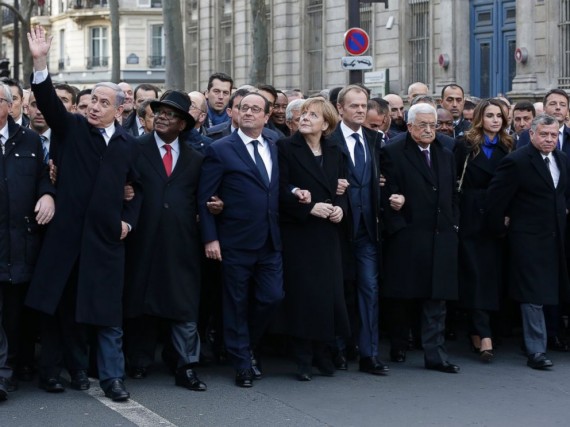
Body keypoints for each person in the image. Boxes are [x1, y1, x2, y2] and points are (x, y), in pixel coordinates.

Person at [25, 26, 142, 401]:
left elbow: (137, 190)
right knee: (58, 306)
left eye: (103, 102)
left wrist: (127, 220)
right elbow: (47, 101)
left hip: (105, 241)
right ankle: (52, 373)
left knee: (106, 314)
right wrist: (40, 61)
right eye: (91, 100)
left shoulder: (129, 145)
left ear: (120, 109)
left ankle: (112, 378)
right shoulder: (73, 129)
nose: (93, 106)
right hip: (65, 236)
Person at [198, 92, 284, 388]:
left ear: (266, 115)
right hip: (234, 240)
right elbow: (206, 197)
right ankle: (242, 363)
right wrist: (210, 238)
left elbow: (277, 186)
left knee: (272, 297)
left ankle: (246, 345)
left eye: (255, 109)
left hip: (271, 240)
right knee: (235, 303)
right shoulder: (221, 149)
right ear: (234, 113)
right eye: (243, 108)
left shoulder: (275, 144)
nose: (249, 113)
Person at [123, 90, 206, 392]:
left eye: (171, 114)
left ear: (183, 124)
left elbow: (201, 198)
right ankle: (139, 360)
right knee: (140, 299)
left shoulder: (196, 158)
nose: (162, 117)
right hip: (142, 239)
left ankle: (186, 366)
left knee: (184, 304)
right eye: (159, 112)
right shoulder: (135, 148)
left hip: (181, 243)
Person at [381, 103, 460, 373]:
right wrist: (399, 227)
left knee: (437, 299)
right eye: (423, 125)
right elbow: (386, 194)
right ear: (409, 125)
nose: (429, 130)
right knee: (403, 296)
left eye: (433, 125)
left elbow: (450, 194)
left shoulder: (445, 152)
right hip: (409, 236)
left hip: (441, 235)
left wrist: (454, 225)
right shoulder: (392, 151)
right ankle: (398, 344)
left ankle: (435, 355)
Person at [486, 114, 570, 369]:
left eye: (553, 135)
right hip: (527, 240)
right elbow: (495, 200)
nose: (548, 139)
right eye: (543, 134)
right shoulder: (517, 162)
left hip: (557, 238)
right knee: (532, 295)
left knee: (551, 292)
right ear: (531, 134)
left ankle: (549, 338)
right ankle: (536, 350)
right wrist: (501, 229)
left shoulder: (563, 160)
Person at [276, 98, 349, 381]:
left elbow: (342, 187)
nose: (304, 118)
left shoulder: (335, 151)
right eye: (303, 113)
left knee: (328, 294)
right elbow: (280, 187)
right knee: (303, 296)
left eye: (313, 115)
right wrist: (307, 207)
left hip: (328, 233)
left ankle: (323, 351)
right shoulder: (285, 147)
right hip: (299, 231)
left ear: (326, 123)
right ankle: (303, 357)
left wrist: (340, 208)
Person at [0, 82, 55, 402]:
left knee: (13, 311)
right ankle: (3, 374)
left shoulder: (31, 140)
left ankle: (15, 365)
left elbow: (43, 177)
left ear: (9, 106)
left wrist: (48, 194)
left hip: (20, 239)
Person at [331, 85, 390, 375]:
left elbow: (383, 177)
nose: (359, 110)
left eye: (363, 105)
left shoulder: (375, 139)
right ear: (340, 109)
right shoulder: (329, 140)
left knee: (369, 289)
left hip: (368, 229)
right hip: (339, 228)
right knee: (340, 289)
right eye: (353, 105)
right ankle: (339, 348)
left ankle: (370, 353)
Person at [454, 99, 514, 362]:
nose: (495, 120)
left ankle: (483, 331)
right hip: (470, 217)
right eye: (490, 115)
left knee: (492, 275)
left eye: (499, 116)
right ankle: (482, 332)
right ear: (479, 118)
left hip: (497, 219)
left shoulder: (508, 146)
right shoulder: (465, 145)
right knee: (474, 274)